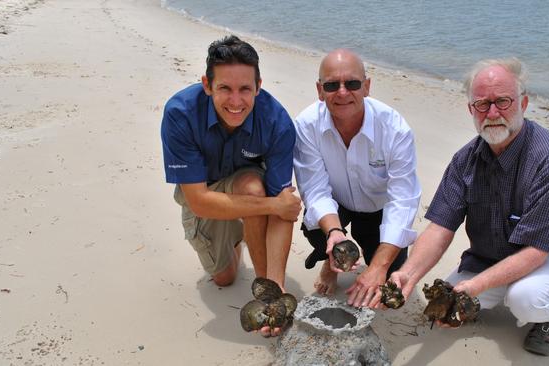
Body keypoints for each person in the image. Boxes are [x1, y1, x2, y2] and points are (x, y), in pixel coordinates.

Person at [389, 58, 549, 356]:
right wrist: (409, 274)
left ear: (524, 103)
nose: (493, 113)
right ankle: (501, 287)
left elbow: (536, 251)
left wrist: (474, 288)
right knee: (442, 306)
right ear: (471, 110)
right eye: (482, 104)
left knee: (526, 299)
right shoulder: (465, 160)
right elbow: (440, 226)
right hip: (501, 251)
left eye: (503, 101)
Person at [160, 35, 300, 336]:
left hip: (247, 187)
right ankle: (237, 239)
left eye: (245, 89)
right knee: (224, 278)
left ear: (258, 87)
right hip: (204, 193)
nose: (235, 101)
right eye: (225, 88)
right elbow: (198, 201)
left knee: (253, 186)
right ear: (207, 85)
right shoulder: (180, 113)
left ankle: (264, 288)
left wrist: (274, 292)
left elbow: (283, 209)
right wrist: (274, 205)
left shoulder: (277, 122)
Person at [293, 49, 421, 308]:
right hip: (336, 204)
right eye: (331, 85)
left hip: (378, 208)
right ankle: (331, 264)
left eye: (352, 83)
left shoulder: (395, 129)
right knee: (317, 227)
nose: (342, 92)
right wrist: (335, 233)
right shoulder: (306, 125)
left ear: (367, 86)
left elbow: (403, 202)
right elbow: (315, 190)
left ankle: (367, 254)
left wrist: (379, 267)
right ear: (320, 90)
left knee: (391, 269)